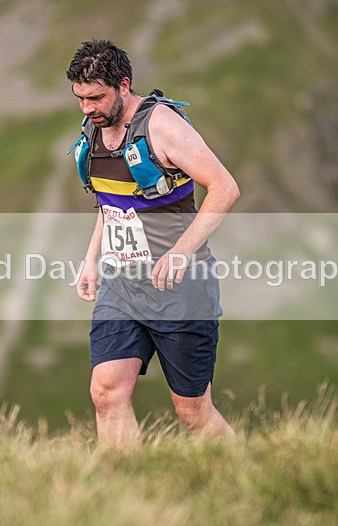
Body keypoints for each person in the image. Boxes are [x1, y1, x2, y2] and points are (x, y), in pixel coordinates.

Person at [66, 39, 239, 445]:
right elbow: (112, 205)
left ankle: (244, 476)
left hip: (180, 288)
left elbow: (224, 188)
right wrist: (91, 260)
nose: (87, 108)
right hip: (122, 285)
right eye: (80, 99)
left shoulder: (161, 125)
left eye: (96, 97)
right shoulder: (94, 131)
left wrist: (181, 253)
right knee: (106, 391)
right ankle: (123, 490)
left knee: (191, 411)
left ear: (123, 85)